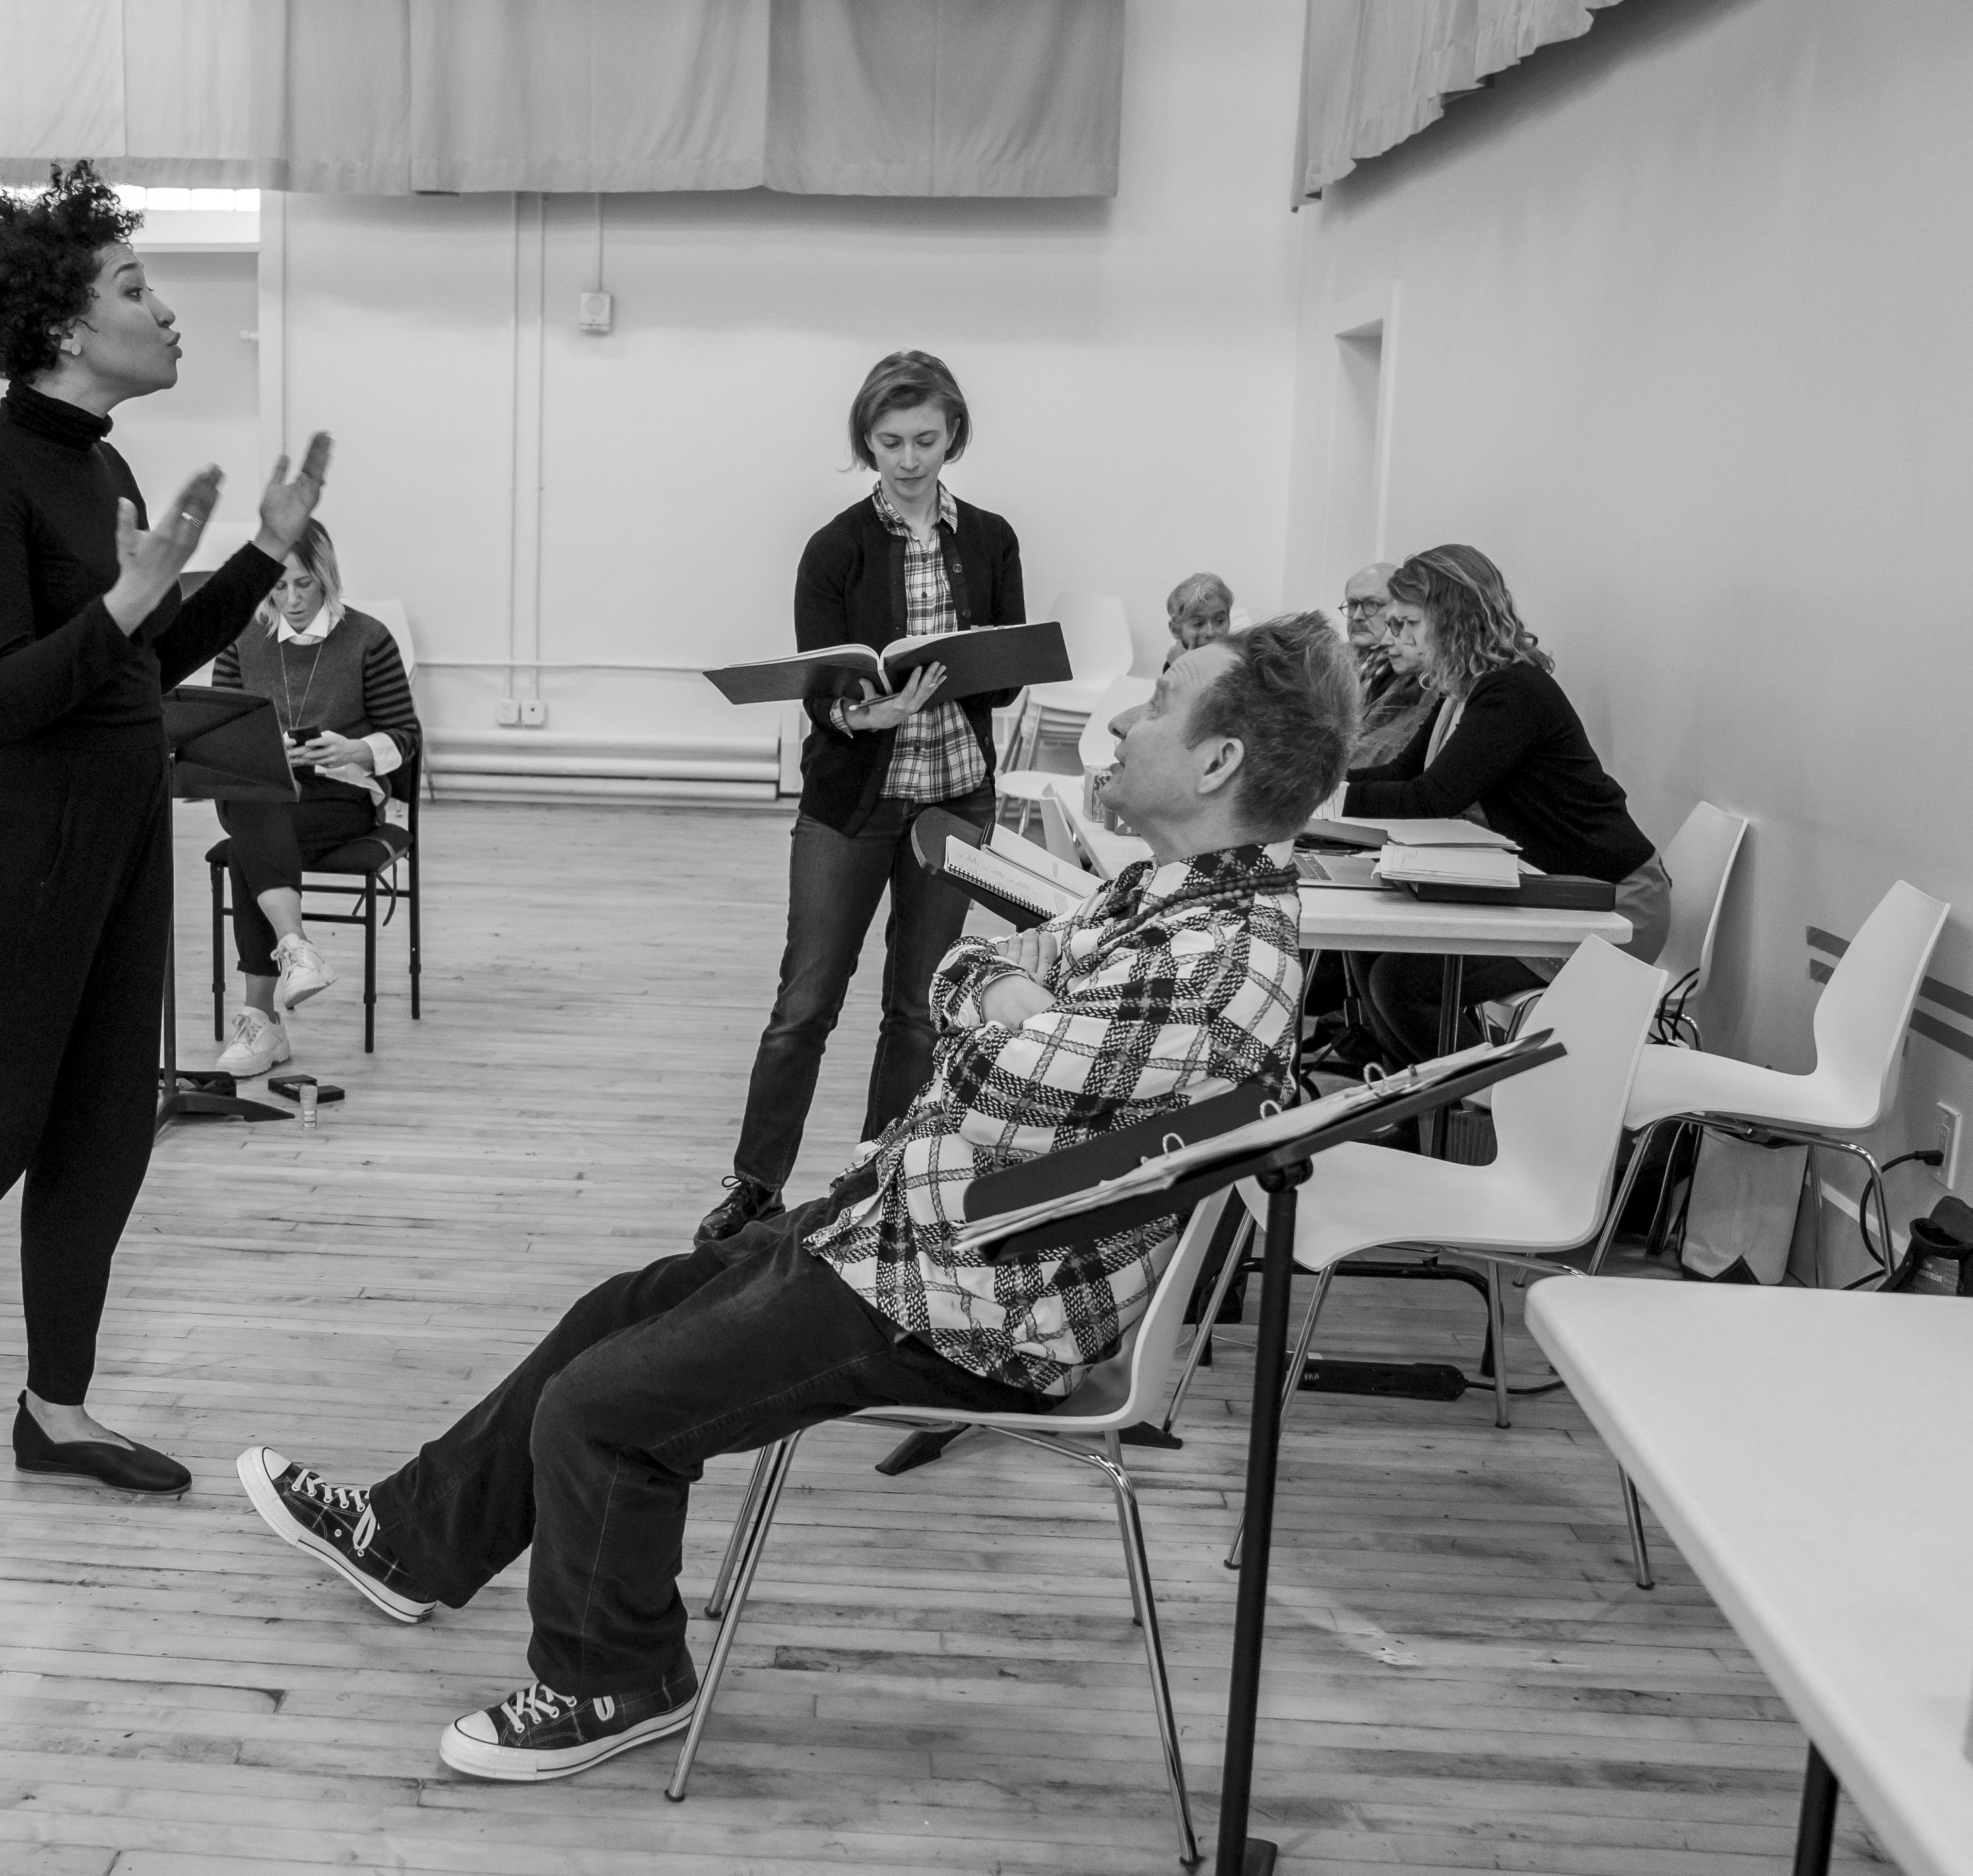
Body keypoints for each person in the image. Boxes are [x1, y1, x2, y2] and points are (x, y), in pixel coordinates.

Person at [229, 615, 1356, 1782]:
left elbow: (976, 1075)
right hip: (913, 1236)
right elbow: (965, 976)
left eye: (1158, 703)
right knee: (615, 1311)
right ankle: (410, 1540)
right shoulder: (1159, 900)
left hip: (970, 1306)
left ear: (1217, 762)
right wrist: (1001, 998)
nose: (1123, 720)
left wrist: (1000, 1006)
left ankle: (614, 1678)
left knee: (601, 1413)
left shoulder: (1218, 959)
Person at [0, 164, 333, 1512]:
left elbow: (136, 664)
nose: (165, 309)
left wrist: (256, 559)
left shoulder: (104, 463)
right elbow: (16, 695)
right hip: (5, 843)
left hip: (116, 830)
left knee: (103, 1129)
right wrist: (128, 602)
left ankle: (57, 1407)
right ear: (68, 328)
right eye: (136, 289)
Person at [695, 351, 1027, 1249]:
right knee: (806, 1002)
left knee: (918, 1009)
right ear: (865, 441)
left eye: (926, 439)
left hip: (953, 803)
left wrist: (967, 678)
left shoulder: (991, 538)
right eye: (890, 442)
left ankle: (881, 1176)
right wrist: (864, 710)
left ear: (954, 432)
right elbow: (822, 687)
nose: (909, 459)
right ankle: (756, 1184)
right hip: (852, 803)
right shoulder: (835, 546)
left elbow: (1004, 681)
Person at [1341, 544, 1669, 1064]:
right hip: (1555, 891)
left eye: (1407, 623)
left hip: (1612, 902)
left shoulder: (1513, 691)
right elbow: (1401, 774)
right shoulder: (1464, 689)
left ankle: (1497, 1118)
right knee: (1368, 950)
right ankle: (1424, 1121)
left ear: (1449, 621)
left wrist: (1322, 796)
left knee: (1404, 982)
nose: (1393, 636)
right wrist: (1316, 784)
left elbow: (1432, 798)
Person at [207, 519, 421, 1077]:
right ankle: (296, 948)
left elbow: (406, 735)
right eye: (278, 587)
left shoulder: (368, 638)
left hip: (340, 797)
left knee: (246, 849)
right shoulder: (242, 640)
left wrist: (353, 750)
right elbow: (220, 735)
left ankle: (262, 1023)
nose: (291, 599)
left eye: (304, 585)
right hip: (264, 793)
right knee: (254, 805)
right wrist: (267, 752)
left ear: (326, 578)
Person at [1339, 560, 1428, 767]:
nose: (1357, 616)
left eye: (1372, 605)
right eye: (1352, 605)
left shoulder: (1414, 669)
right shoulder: (1331, 662)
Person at [1164, 571, 1234, 648]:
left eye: (1220, 621)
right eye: (1199, 624)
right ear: (1175, 630)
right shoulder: (1175, 660)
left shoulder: (1243, 657)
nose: (1211, 633)